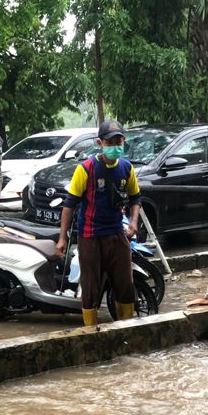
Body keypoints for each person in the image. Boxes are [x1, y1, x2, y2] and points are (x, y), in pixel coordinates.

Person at [55, 119, 142, 326]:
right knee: (90, 287)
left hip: (117, 234)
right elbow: (69, 204)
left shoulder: (126, 168)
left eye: (118, 142)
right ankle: (91, 331)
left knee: (125, 285)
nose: (115, 146)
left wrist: (133, 221)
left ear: (124, 141)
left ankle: (126, 328)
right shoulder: (86, 169)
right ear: (100, 143)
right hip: (90, 236)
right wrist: (62, 238)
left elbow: (135, 197)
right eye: (110, 143)